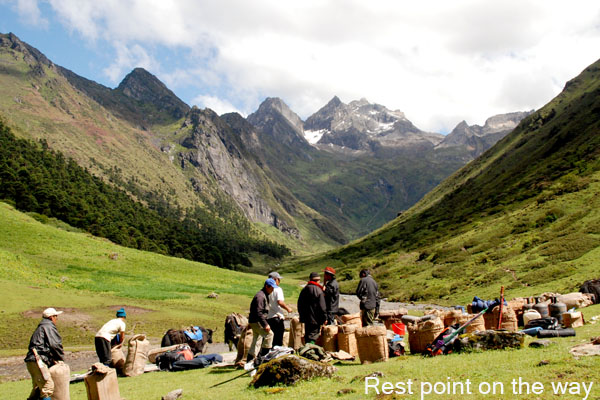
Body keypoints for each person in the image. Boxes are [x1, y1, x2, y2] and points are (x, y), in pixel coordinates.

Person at [24, 308, 65, 400]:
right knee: (47, 387)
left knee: (37, 388)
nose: (57, 318)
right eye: (56, 316)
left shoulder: (41, 327)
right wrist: (60, 358)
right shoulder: (48, 326)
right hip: (38, 361)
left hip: (32, 360)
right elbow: (55, 344)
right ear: (51, 317)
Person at [247, 278, 278, 364]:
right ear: (267, 286)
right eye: (272, 287)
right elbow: (258, 312)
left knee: (256, 340)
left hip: (254, 321)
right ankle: (264, 358)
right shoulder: (260, 296)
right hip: (258, 321)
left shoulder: (262, 294)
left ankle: (250, 360)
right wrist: (265, 324)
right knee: (269, 335)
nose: (273, 290)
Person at [297, 272, 327, 344]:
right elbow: (322, 307)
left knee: (307, 334)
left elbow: (299, 304)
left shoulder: (304, 290)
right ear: (318, 280)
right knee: (313, 336)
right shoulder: (319, 291)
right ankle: (310, 351)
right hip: (316, 318)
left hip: (306, 318)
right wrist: (324, 318)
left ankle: (307, 351)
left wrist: (302, 316)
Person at [266, 272, 293, 347]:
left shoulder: (266, 289)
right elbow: (280, 302)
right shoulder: (278, 289)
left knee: (270, 339)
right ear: (275, 279)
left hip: (268, 317)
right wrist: (288, 308)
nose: (279, 281)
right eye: (278, 279)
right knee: (278, 339)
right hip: (277, 317)